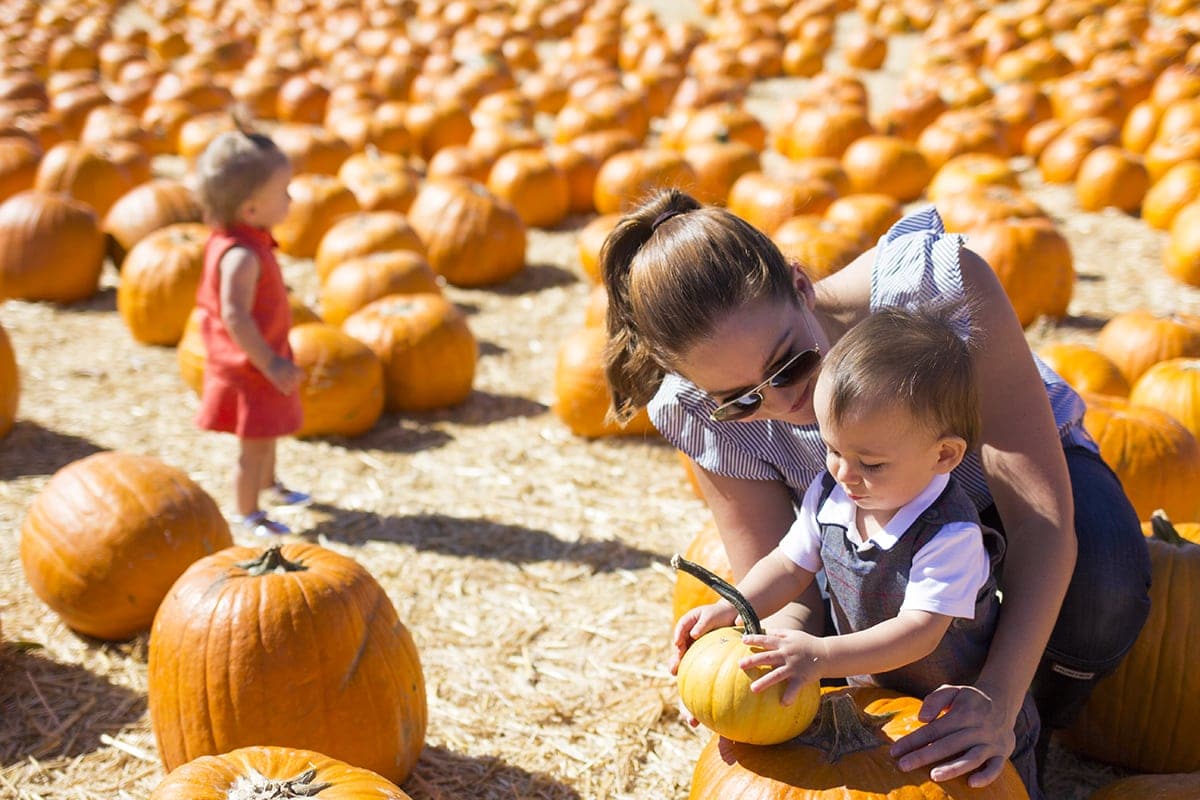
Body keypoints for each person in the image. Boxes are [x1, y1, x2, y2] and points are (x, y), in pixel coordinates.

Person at [601, 189, 1150, 788]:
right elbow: (789, 584)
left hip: (1001, 487)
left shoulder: (933, 291)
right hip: (864, 529)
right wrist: (740, 676)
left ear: (801, 285)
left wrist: (997, 695)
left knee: (1102, 590)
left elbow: (1039, 523)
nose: (788, 404)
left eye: (789, 365)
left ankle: (1039, 714)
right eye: (743, 399)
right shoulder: (699, 412)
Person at [670, 305, 1041, 797]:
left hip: (954, 710)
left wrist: (820, 655)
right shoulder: (833, 494)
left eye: (870, 462)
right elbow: (788, 565)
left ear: (943, 455)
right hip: (874, 701)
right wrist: (734, 607)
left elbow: (918, 633)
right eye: (834, 449)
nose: (844, 474)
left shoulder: (949, 535)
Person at [191, 119, 310, 536]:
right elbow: (235, 315)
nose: (292, 198)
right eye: (284, 192)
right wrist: (270, 363)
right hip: (251, 366)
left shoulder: (250, 239)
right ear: (251, 209)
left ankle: (270, 484)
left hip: (266, 355)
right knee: (253, 444)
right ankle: (248, 511)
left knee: (270, 430)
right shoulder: (240, 255)